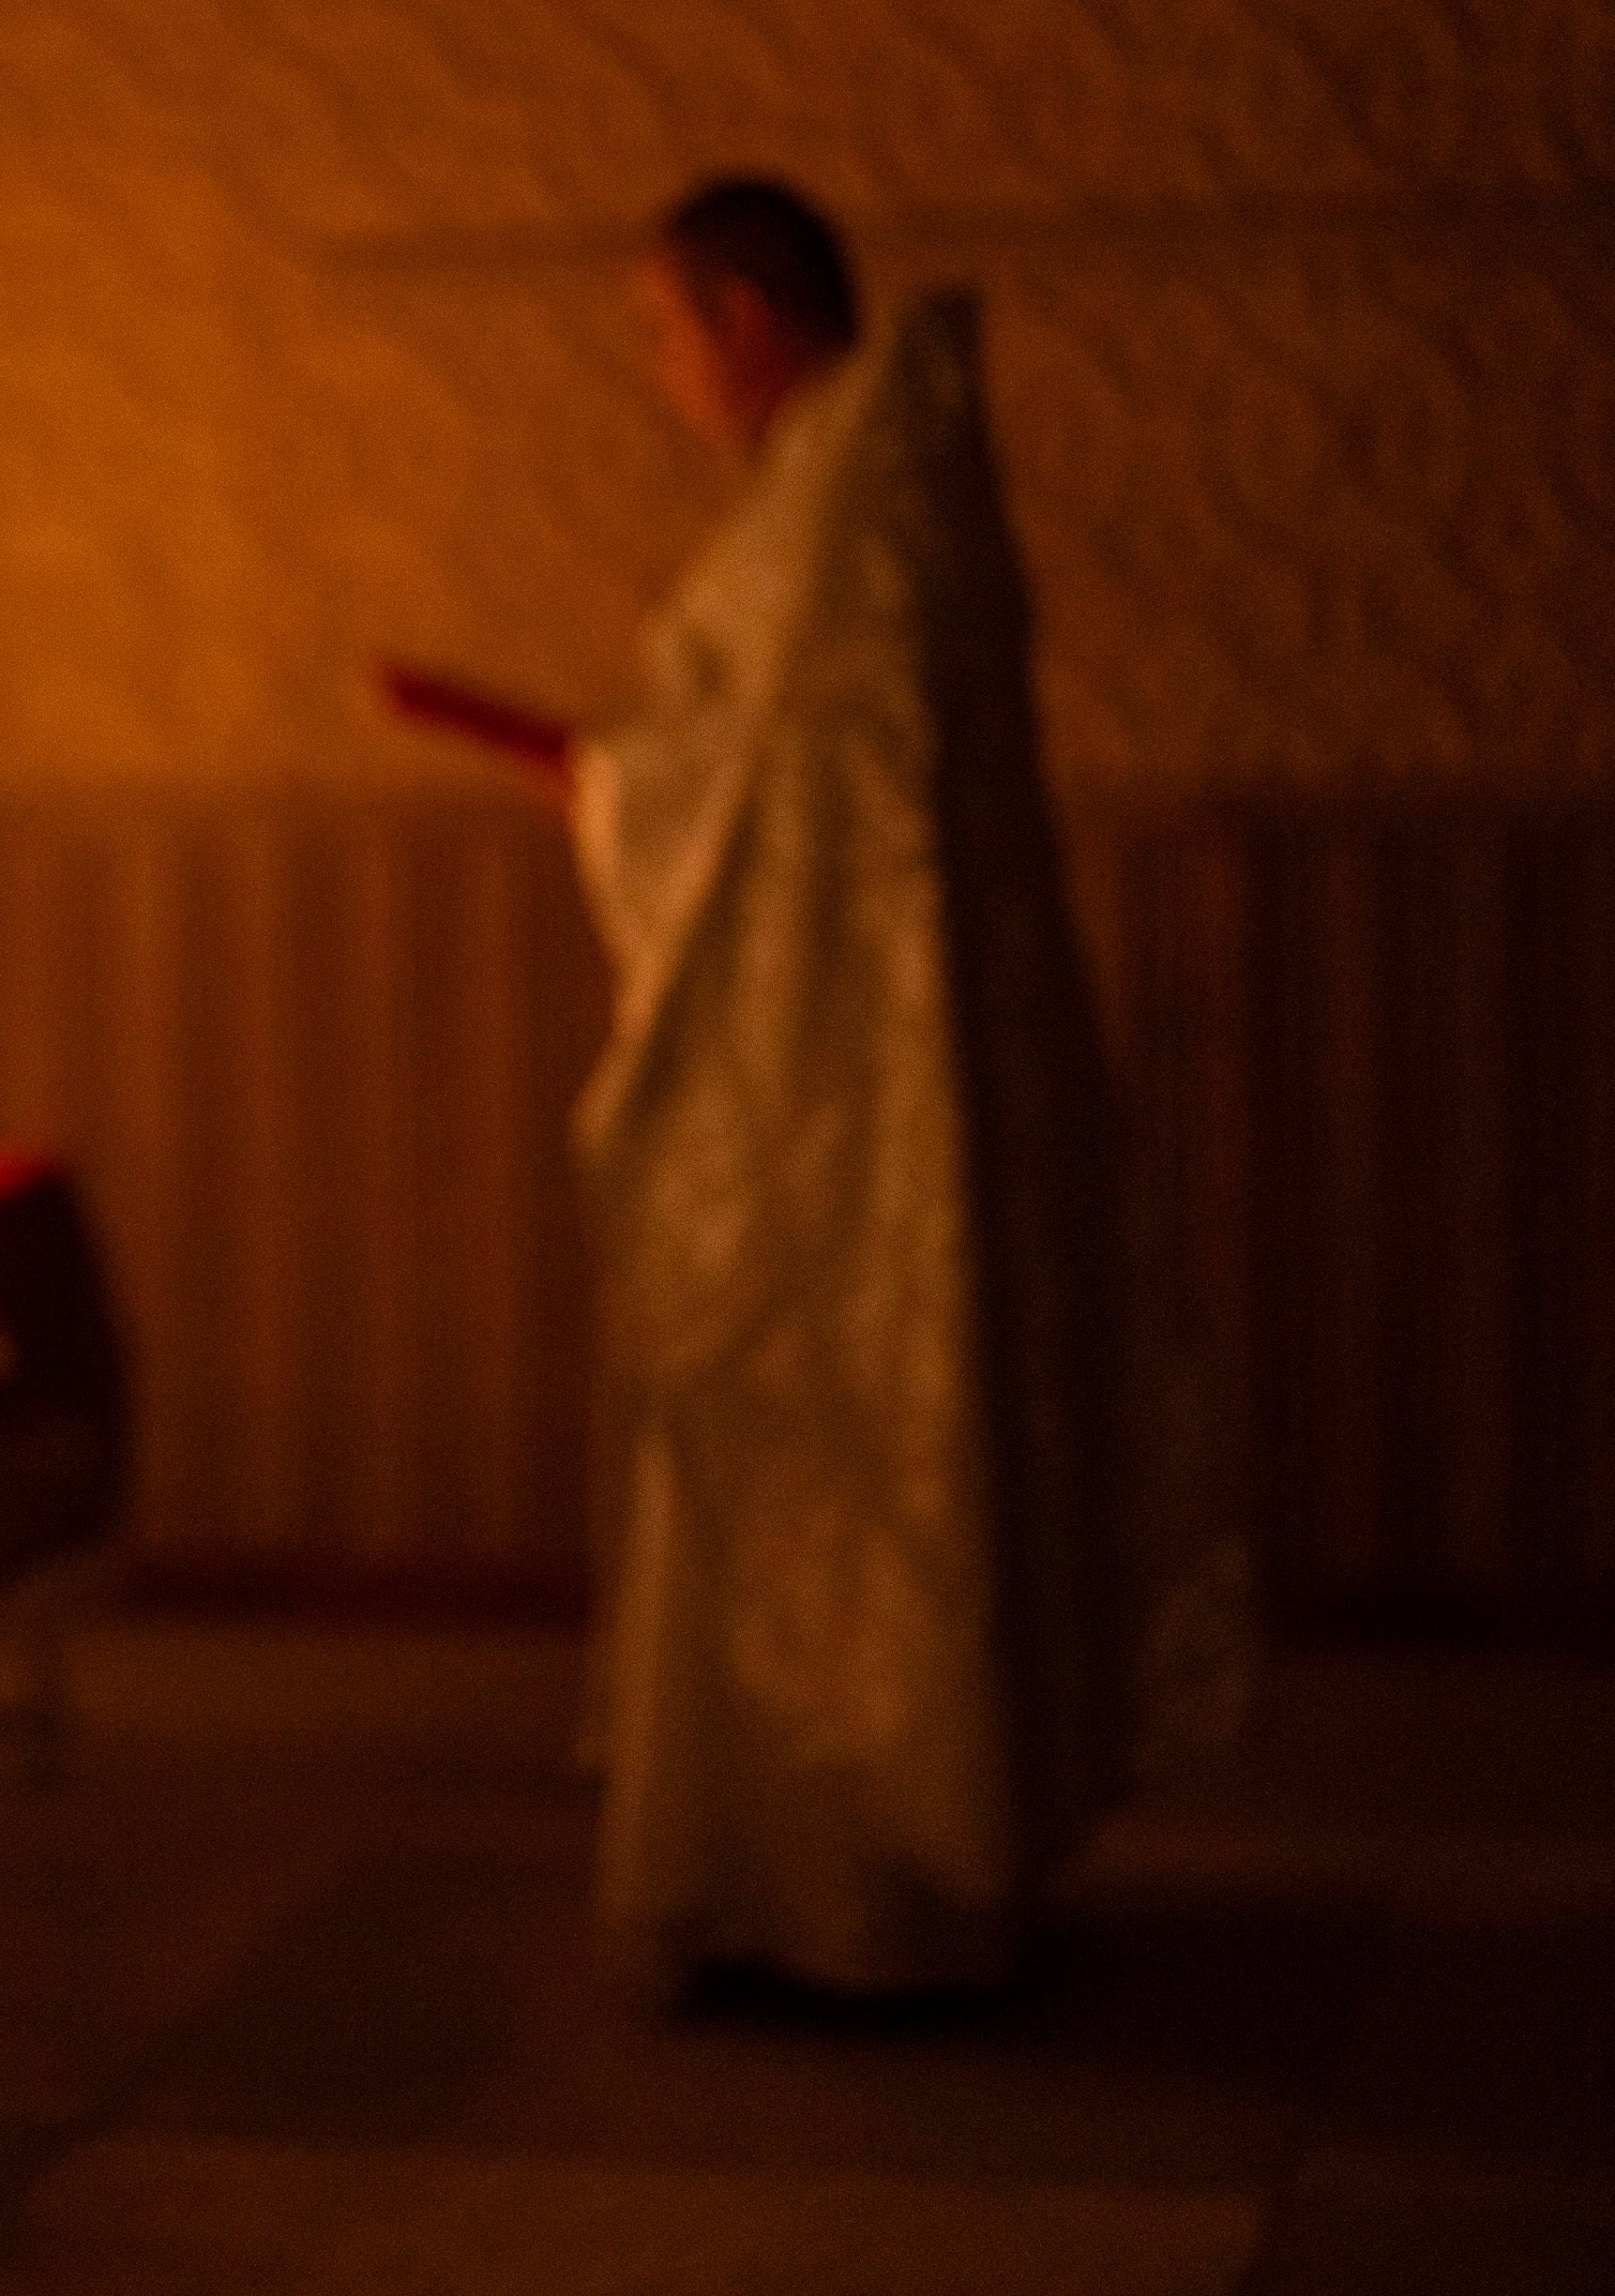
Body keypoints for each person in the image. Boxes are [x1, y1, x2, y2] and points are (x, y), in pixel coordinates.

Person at [385, 175, 1240, 1996]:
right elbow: (771, 771)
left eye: (660, 327)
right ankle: (793, 1874)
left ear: (748, 313)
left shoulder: (855, 498)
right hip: (858, 1052)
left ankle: (870, 1887)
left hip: (851, 1082)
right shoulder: (852, 485)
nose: (656, 370)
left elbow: (768, 792)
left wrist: (605, 789)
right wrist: (625, 783)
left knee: (840, 1423)